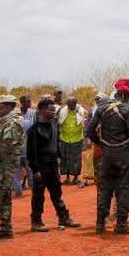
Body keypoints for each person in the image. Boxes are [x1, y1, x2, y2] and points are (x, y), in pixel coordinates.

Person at [87, 80, 129, 235]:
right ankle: (121, 225)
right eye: (128, 97)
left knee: (105, 189)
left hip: (107, 155)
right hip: (124, 155)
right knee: (124, 188)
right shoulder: (127, 109)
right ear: (123, 96)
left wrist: (102, 144)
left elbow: (90, 131)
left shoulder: (101, 109)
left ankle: (100, 224)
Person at [26, 97, 79, 232]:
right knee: (38, 195)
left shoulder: (54, 126)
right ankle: (36, 222)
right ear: (42, 110)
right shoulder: (34, 130)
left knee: (57, 193)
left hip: (53, 165)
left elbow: (56, 144)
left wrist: (59, 158)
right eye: (51, 110)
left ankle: (63, 218)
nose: (54, 112)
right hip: (41, 167)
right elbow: (31, 152)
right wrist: (35, 170)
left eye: (54, 110)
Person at [0, 95, 25, 239]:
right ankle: (6, 229)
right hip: (5, 165)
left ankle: (6, 228)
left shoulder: (12, 123)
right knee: (4, 196)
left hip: (4, 166)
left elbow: (5, 146)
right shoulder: (9, 121)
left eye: (0, 108)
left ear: (9, 107)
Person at [57, 97, 87, 186]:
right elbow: (58, 122)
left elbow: (87, 118)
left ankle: (76, 177)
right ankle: (67, 177)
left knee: (76, 159)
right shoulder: (63, 111)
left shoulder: (81, 111)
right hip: (64, 138)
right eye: (68, 104)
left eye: (71, 104)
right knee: (64, 158)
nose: (70, 106)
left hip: (76, 139)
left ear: (75, 104)